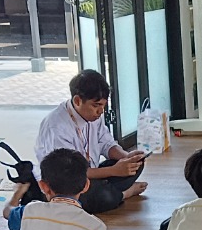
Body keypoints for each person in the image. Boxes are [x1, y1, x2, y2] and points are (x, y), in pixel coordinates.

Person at [31, 69, 147, 214]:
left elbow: (106, 143)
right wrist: (113, 170)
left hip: (89, 176)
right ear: (77, 101)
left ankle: (109, 191)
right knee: (104, 196)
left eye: (103, 106)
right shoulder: (56, 126)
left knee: (137, 163)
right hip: (65, 186)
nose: (100, 112)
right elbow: (69, 174)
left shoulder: (94, 115)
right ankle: (124, 193)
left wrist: (126, 157)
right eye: (96, 105)